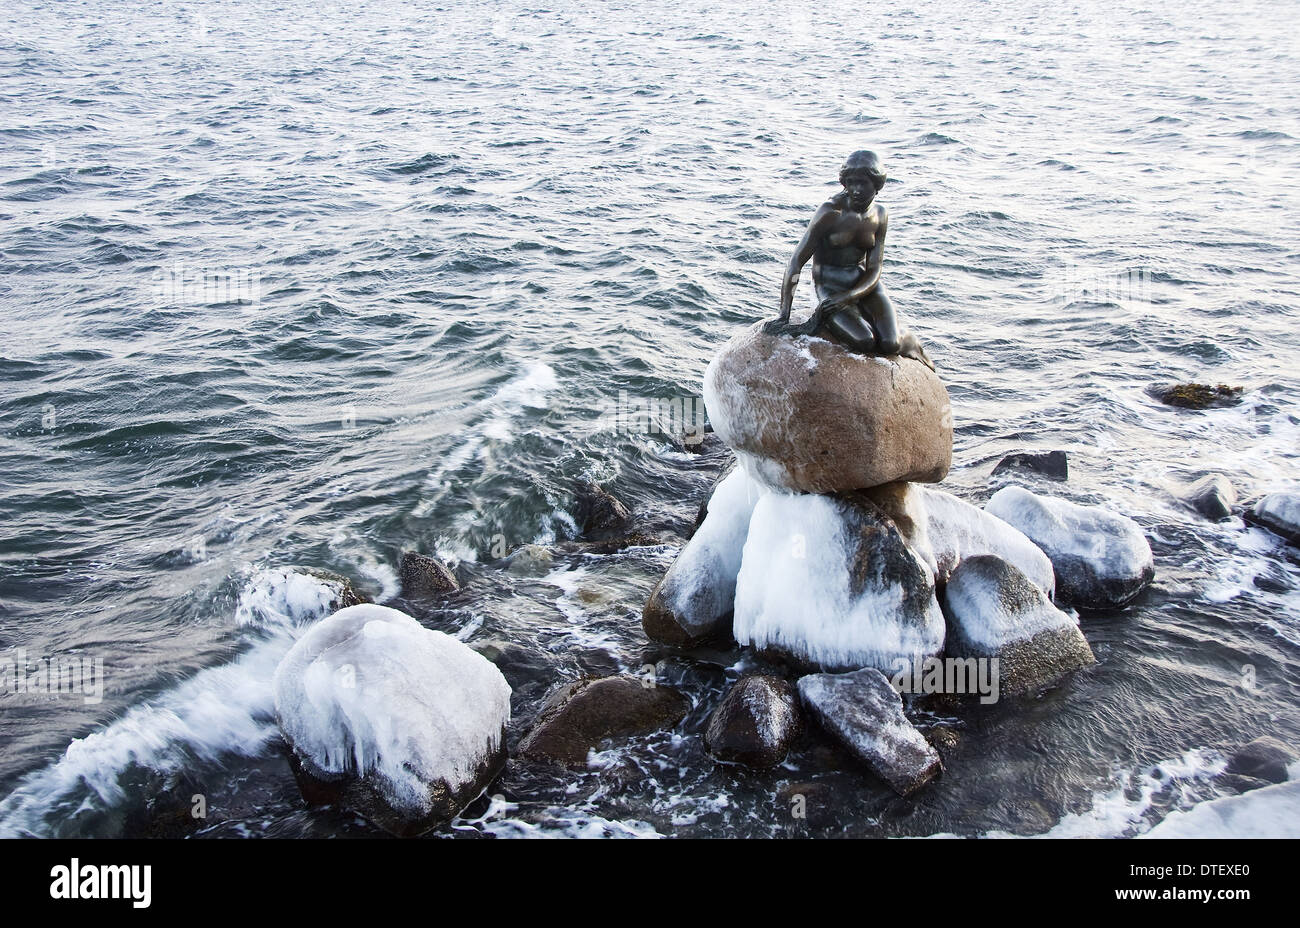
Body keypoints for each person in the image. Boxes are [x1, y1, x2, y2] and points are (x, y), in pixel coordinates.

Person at [765, 150, 932, 369]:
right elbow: (796, 262)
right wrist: (784, 313)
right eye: (850, 183)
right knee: (864, 341)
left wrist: (850, 296)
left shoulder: (880, 214)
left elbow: (874, 268)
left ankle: (910, 341)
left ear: (877, 184)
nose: (856, 190)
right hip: (830, 286)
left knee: (891, 343)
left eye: (863, 183)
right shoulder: (830, 212)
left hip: (863, 284)